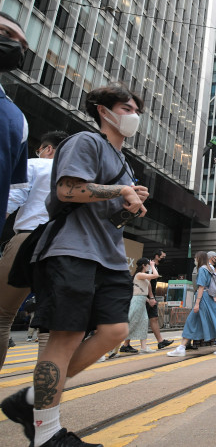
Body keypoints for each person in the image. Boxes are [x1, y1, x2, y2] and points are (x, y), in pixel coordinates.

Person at [1, 82, 149, 447]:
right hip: (72, 251)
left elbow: (111, 218)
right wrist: (119, 191)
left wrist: (130, 206)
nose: (134, 116)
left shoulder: (125, 164)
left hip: (111, 257)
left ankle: (31, 400)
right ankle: (47, 434)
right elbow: (67, 191)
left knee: (114, 332)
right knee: (63, 337)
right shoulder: (87, 142)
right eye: (128, 108)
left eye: (135, 110)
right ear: (104, 110)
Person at [1, 131, 68, 368]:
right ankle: (44, 402)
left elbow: (10, 200)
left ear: (48, 149)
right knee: (50, 327)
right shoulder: (77, 176)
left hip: (27, 240)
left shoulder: (35, 165)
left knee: (2, 316)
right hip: (63, 248)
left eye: (39, 148)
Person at [166, 251, 216, 357]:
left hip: (203, 298)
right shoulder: (209, 269)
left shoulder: (202, 269)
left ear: (199, 258)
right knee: (203, 320)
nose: (194, 260)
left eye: (195, 258)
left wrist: (197, 303)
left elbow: (201, 287)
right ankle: (182, 347)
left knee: (203, 320)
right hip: (207, 298)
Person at [0, 12, 29, 235]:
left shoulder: (16, 119)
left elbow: (10, 190)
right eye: (4, 33)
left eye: (23, 45)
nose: (15, 46)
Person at [121, 258, 158, 354]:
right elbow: (156, 275)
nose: (149, 266)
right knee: (131, 322)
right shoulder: (139, 275)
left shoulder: (142, 276)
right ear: (144, 265)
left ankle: (143, 347)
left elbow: (140, 291)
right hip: (137, 302)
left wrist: (148, 300)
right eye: (148, 265)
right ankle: (115, 345)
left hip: (141, 301)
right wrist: (153, 266)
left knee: (143, 323)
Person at [148, 249, 173, 349]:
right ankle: (125, 344)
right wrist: (151, 297)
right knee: (138, 320)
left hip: (150, 295)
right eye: (163, 257)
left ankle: (160, 341)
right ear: (157, 256)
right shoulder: (150, 266)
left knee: (154, 318)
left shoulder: (155, 266)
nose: (164, 259)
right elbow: (148, 282)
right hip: (147, 296)